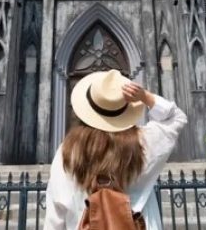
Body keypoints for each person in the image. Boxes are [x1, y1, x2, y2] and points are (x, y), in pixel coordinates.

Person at [44, 69, 188, 230]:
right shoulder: (144, 144)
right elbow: (176, 118)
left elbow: (55, 214)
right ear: (125, 110)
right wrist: (144, 96)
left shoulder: (68, 152)